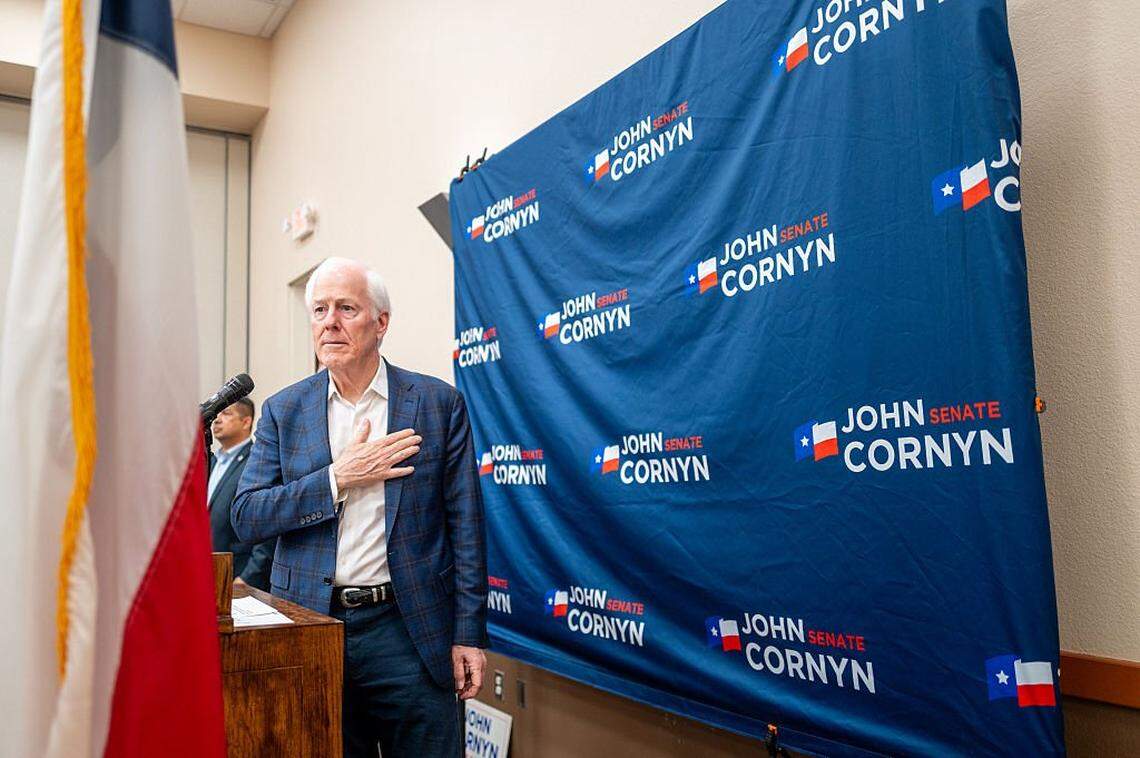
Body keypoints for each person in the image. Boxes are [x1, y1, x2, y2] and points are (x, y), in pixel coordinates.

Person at [232, 257, 488, 758]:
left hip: (409, 630)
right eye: (320, 310)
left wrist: (468, 634)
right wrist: (336, 479)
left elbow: (467, 530)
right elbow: (247, 515)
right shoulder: (285, 410)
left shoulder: (437, 404)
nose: (330, 321)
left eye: (347, 308)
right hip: (312, 625)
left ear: (381, 323)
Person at [207, 398, 272, 590]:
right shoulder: (211, 460)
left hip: (238, 577)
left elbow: (267, 526)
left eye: (226, 414)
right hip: (206, 574)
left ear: (246, 422)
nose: (217, 420)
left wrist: (248, 577)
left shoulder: (256, 462)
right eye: (216, 415)